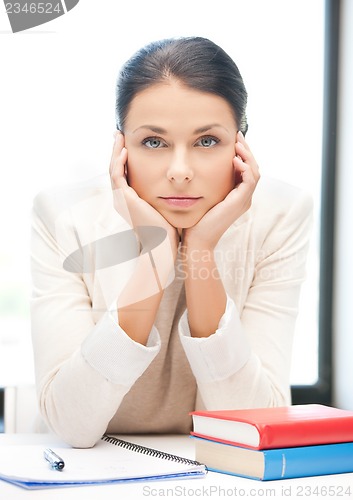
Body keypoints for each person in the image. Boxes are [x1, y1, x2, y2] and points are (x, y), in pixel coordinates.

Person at [30, 36, 313, 448]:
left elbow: (252, 424)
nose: (180, 171)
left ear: (241, 145)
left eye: (206, 141)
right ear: (120, 147)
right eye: (154, 142)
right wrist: (155, 256)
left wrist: (200, 252)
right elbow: (71, 425)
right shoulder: (63, 216)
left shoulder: (280, 215)